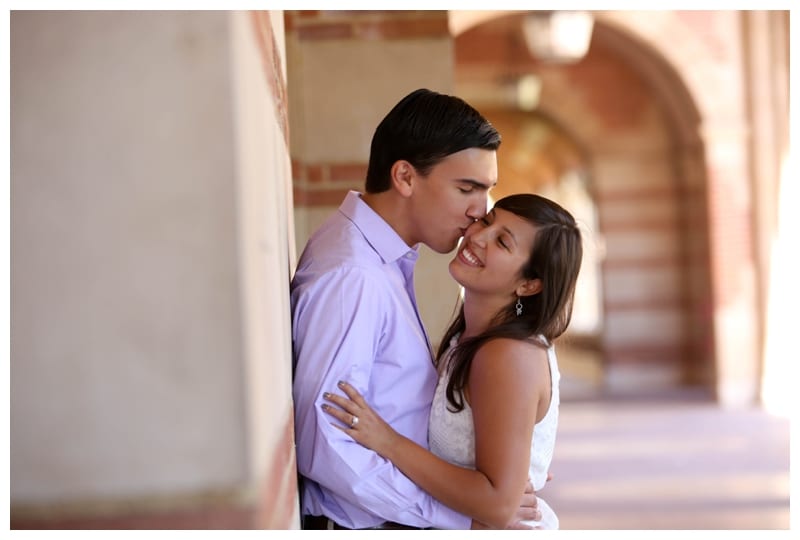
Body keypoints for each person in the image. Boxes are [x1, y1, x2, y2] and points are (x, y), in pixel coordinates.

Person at [291, 89, 540, 530]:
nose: (480, 212)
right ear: (405, 177)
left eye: (486, 191)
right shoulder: (356, 276)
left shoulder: (380, 257)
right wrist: (458, 515)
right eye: (467, 188)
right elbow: (324, 444)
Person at [322, 193, 583, 529]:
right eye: (488, 221)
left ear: (529, 285)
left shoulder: (506, 355)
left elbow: (499, 506)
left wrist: (387, 441)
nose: (477, 236)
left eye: (502, 242)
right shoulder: (474, 339)